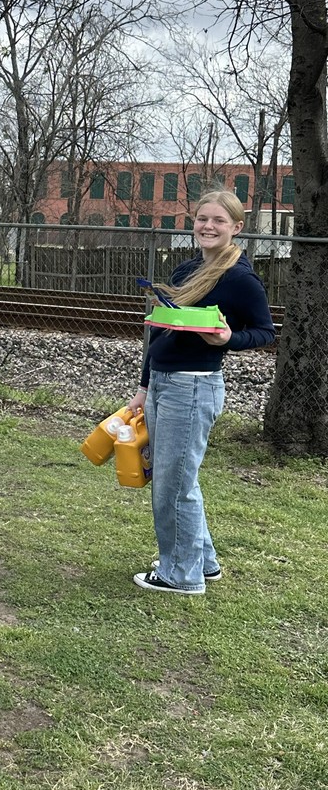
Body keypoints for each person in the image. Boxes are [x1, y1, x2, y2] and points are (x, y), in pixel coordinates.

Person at [127, 190, 275, 596]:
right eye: (202, 219)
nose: (208, 226)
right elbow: (160, 329)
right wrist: (143, 387)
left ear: (236, 228)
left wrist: (228, 339)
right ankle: (202, 562)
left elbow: (264, 331)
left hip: (192, 388)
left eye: (219, 221)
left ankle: (181, 575)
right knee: (178, 478)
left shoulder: (241, 278)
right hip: (163, 382)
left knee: (173, 484)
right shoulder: (185, 271)